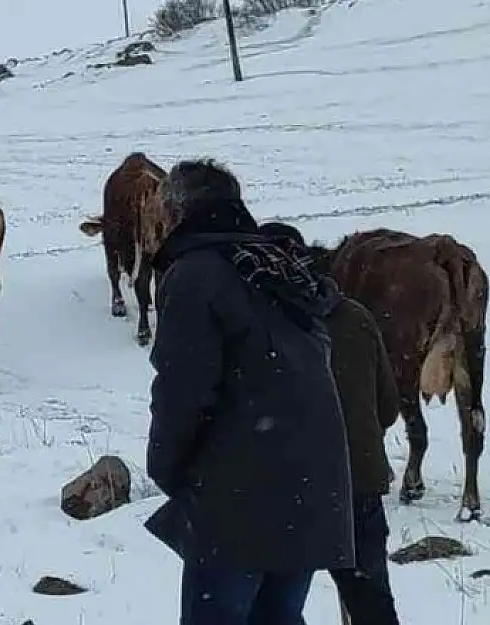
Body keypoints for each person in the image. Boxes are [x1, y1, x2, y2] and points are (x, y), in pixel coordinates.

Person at [143, 158, 356, 625]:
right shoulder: (276, 267)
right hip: (313, 485)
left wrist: (167, 466)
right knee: (278, 617)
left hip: (241, 492)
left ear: (177, 212)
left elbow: (183, 388)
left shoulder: (196, 274)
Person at [259, 221, 402, 625]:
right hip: (359, 482)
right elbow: (388, 407)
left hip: (288, 491)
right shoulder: (355, 317)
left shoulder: (263, 324)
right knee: (372, 602)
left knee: (275, 609)